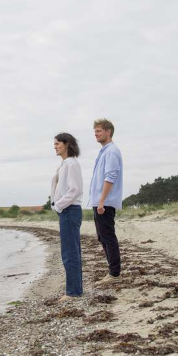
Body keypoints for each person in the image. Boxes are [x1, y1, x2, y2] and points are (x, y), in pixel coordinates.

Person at [87, 118, 123, 284]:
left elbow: (111, 176)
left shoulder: (112, 151)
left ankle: (114, 273)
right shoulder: (104, 151)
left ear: (108, 132)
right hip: (99, 201)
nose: (96, 134)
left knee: (108, 236)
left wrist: (101, 201)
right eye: (95, 131)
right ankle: (112, 271)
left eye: (99, 131)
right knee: (102, 237)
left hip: (105, 202)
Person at [51, 132, 83, 301]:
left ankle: (73, 292)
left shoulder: (71, 164)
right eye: (54, 144)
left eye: (57, 143)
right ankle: (75, 290)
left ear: (67, 144)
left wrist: (59, 205)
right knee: (70, 252)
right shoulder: (64, 164)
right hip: (66, 210)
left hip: (70, 210)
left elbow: (75, 190)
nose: (55, 146)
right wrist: (56, 205)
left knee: (70, 253)